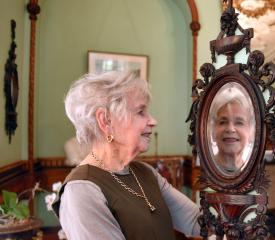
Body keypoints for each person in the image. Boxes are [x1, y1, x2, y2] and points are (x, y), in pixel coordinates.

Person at [52, 71, 200, 240]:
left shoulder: (145, 172)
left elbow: (198, 222)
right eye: (140, 112)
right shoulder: (81, 190)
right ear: (105, 121)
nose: (153, 121)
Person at [208, 85, 254, 174]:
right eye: (223, 122)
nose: (230, 129)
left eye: (239, 122)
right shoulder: (203, 172)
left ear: (251, 131)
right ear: (213, 130)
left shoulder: (255, 173)